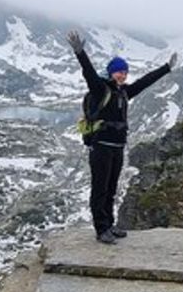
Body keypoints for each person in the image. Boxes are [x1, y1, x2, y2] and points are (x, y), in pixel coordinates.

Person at [69, 31, 176, 244]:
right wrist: (80, 53)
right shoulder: (101, 89)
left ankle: (109, 225)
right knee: (100, 189)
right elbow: (89, 73)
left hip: (117, 147)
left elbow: (145, 82)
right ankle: (101, 229)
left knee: (111, 189)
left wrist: (166, 68)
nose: (123, 76)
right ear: (111, 73)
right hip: (101, 146)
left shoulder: (123, 92)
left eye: (125, 73)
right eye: (119, 72)